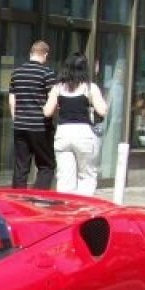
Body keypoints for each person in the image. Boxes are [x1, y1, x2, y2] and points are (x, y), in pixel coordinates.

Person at [43, 52, 108, 196]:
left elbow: (47, 112)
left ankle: (66, 212)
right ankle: (83, 211)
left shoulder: (58, 87)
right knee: (87, 176)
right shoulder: (90, 88)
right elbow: (102, 111)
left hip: (63, 134)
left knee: (65, 179)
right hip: (84, 134)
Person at [7, 40, 57, 189]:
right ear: (45, 54)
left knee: (21, 166)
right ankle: (37, 199)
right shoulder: (47, 74)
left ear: (31, 53)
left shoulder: (16, 73)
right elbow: (52, 101)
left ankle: (17, 200)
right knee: (46, 165)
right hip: (40, 127)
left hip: (20, 125)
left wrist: (17, 120)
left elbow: (11, 101)